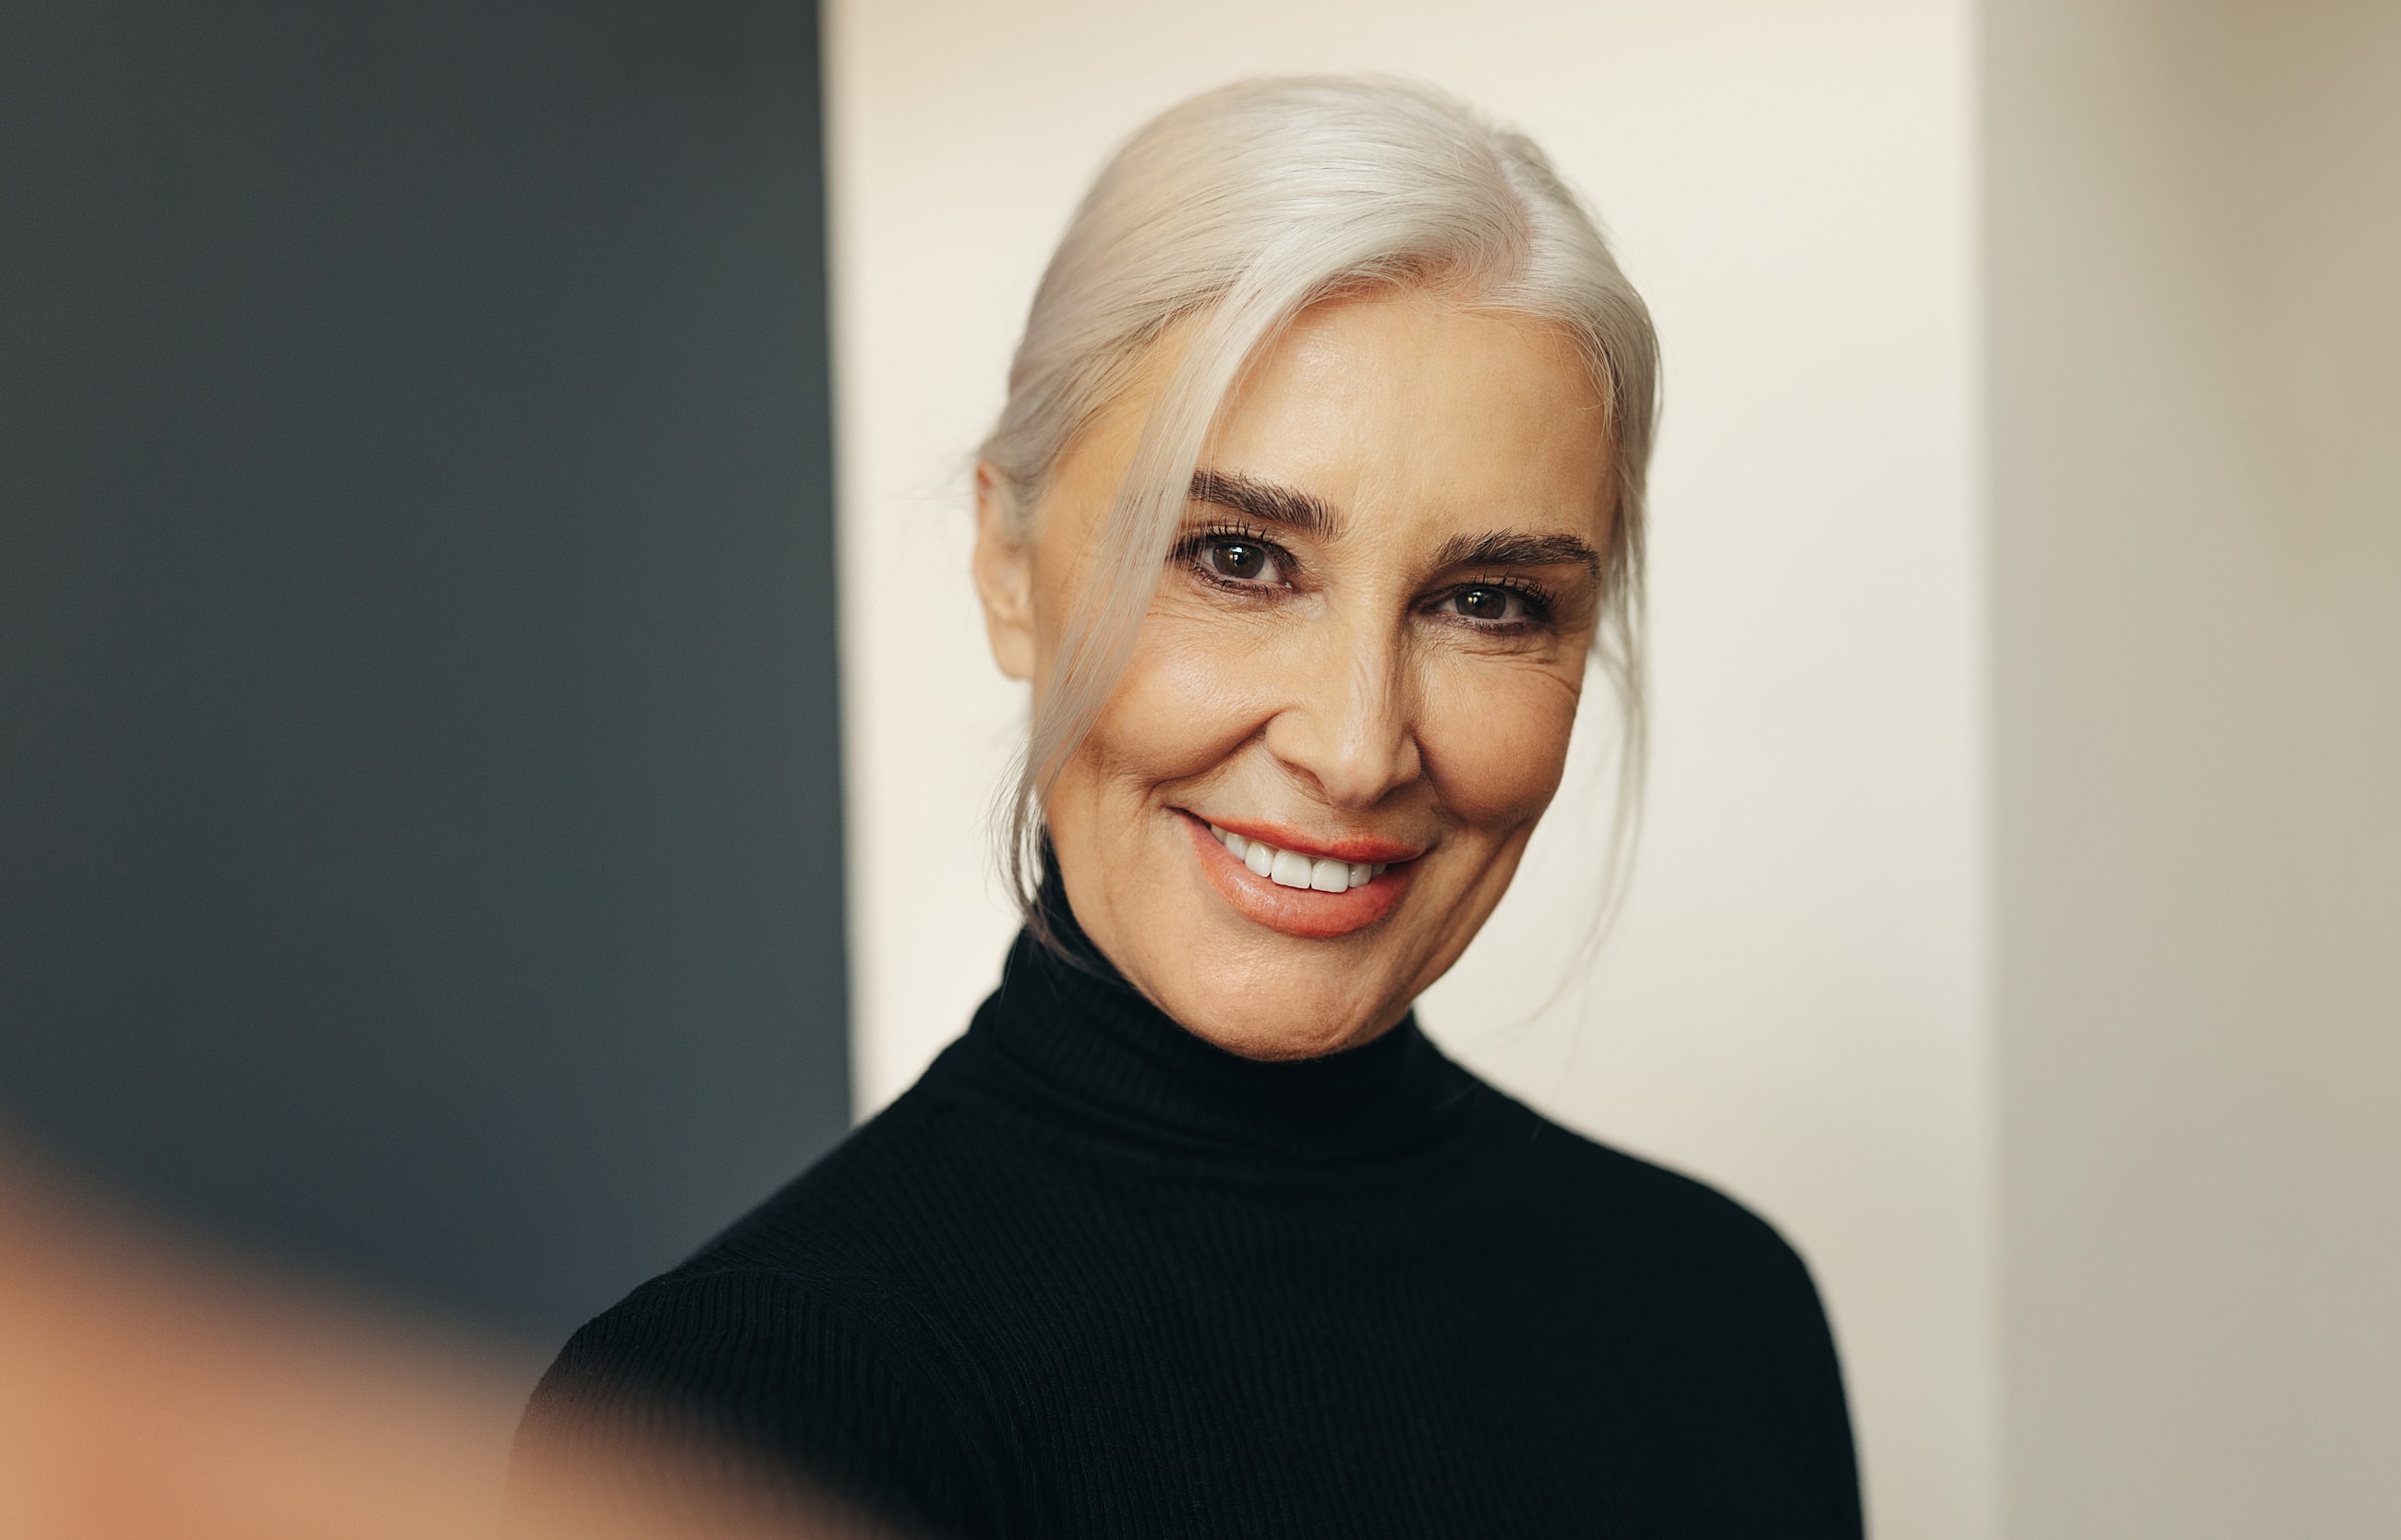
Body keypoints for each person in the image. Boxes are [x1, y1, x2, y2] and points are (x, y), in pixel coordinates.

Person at [523, 76, 1862, 1538]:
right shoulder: (747, 1408)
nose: (1357, 750)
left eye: (1488, 601)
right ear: (1009, 569)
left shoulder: (1725, 1319)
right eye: (1235, 559)